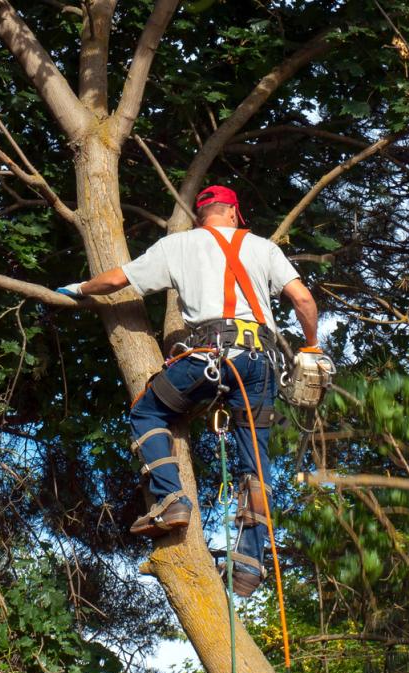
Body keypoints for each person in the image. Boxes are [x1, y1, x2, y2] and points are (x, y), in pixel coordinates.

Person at [57, 185, 319, 597]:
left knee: (148, 412)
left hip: (210, 357)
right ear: (234, 213)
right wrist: (311, 345)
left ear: (201, 217)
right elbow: (302, 298)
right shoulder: (263, 248)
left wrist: (79, 289)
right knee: (255, 462)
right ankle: (250, 562)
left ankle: (171, 500)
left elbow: (116, 280)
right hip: (260, 365)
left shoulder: (176, 245)